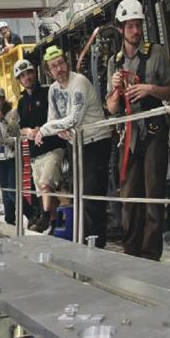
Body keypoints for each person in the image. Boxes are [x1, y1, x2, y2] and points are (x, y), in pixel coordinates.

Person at [105, 0, 170, 261]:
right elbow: (111, 108)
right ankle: (130, 254)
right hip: (128, 138)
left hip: (154, 133)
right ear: (121, 29)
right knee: (129, 200)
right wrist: (114, 88)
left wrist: (149, 89)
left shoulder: (156, 53)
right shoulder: (116, 61)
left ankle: (150, 256)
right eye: (131, 26)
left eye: (138, 25)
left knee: (153, 199)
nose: (136, 31)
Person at [41, 45, 110, 247]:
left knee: (91, 196)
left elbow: (72, 119)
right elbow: (53, 119)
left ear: (67, 63)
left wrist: (46, 129)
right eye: (54, 67)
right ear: (48, 71)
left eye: (61, 63)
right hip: (76, 144)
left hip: (95, 141)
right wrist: (55, 127)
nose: (59, 69)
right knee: (78, 195)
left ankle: (97, 244)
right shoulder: (53, 89)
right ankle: (85, 241)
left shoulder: (78, 81)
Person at [16, 58, 64, 232]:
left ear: (35, 73)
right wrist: (28, 131)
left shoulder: (47, 92)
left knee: (45, 184)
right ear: (19, 80)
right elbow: (20, 128)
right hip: (36, 153)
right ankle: (53, 226)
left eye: (29, 73)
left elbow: (57, 116)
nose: (27, 77)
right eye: (22, 75)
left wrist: (41, 129)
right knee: (44, 191)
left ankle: (43, 219)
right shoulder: (21, 102)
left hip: (53, 147)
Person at [0, 85, 27, 225]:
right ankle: (10, 220)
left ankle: (31, 212)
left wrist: (2, 118)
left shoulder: (12, 113)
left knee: (12, 191)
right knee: (5, 192)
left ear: (3, 101)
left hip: (12, 154)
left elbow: (15, 131)